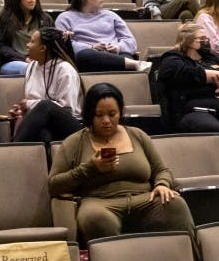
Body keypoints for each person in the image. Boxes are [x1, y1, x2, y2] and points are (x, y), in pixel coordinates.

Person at [49, 83, 194, 241]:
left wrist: (162, 184)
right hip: (100, 203)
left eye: (112, 114)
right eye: (99, 115)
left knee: (175, 205)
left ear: (120, 112)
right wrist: (90, 168)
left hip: (144, 200)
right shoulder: (74, 143)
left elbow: (161, 170)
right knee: (94, 218)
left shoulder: (137, 135)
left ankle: (191, 256)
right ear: (90, 114)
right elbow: (54, 185)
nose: (106, 120)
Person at [154, 24, 219, 134]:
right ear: (188, 41)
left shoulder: (212, 57)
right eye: (202, 38)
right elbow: (185, 73)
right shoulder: (172, 59)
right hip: (194, 111)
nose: (206, 41)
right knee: (211, 128)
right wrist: (214, 76)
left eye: (207, 38)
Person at [7, 28, 83, 144]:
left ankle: (13, 149)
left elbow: (68, 109)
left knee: (45, 105)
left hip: (70, 125)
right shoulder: (31, 66)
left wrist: (30, 104)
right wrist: (21, 110)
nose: (27, 45)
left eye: (32, 42)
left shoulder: (65, 70)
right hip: (45, 124)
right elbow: (31, 101)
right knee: (43, 135)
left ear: (43, 48)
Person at [55, 0, 151, 72]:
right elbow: (63, 44)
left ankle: (130, 64)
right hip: (89, 58)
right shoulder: (65, 17)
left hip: (115, 55)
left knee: (126, 55)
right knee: (84, 55)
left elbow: (130, 41)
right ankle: (135, 64)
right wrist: (91, 47)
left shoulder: (111, 15)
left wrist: (118, 47)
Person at [0, 0, 51, 76]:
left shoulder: (44, 19)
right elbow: (0, 47)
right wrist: (24, 59)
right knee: (29, 68)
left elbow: (51, 43)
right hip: (12, 62)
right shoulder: (3, 19)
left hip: (39, 61)